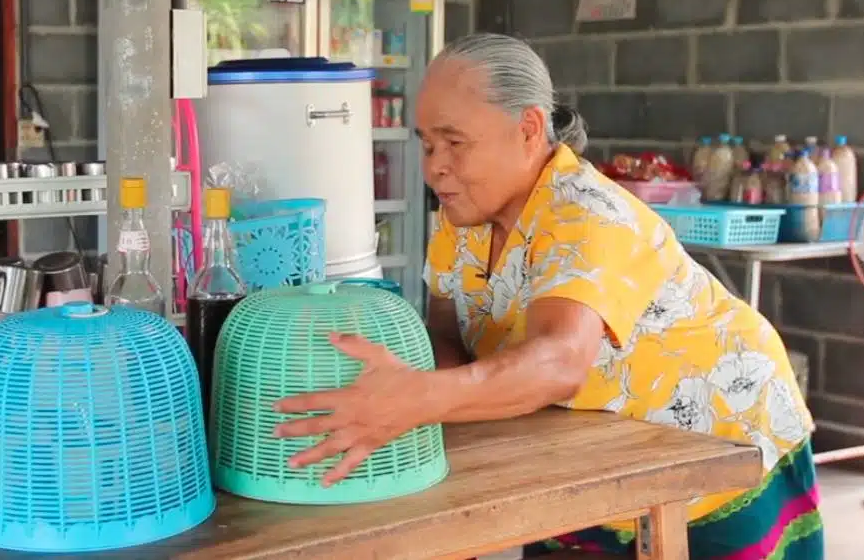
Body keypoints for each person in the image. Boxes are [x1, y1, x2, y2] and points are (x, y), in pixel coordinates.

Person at [273, 32, 823, 559]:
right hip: (590, 438)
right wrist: (420, 389)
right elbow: (447, 323)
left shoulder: (585, 212)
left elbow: (559, 361)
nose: (434, 165)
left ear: (529, 129)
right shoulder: (461, 214)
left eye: (455, 142)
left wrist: (420, 400)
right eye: (427, 143)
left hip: (720, 427)